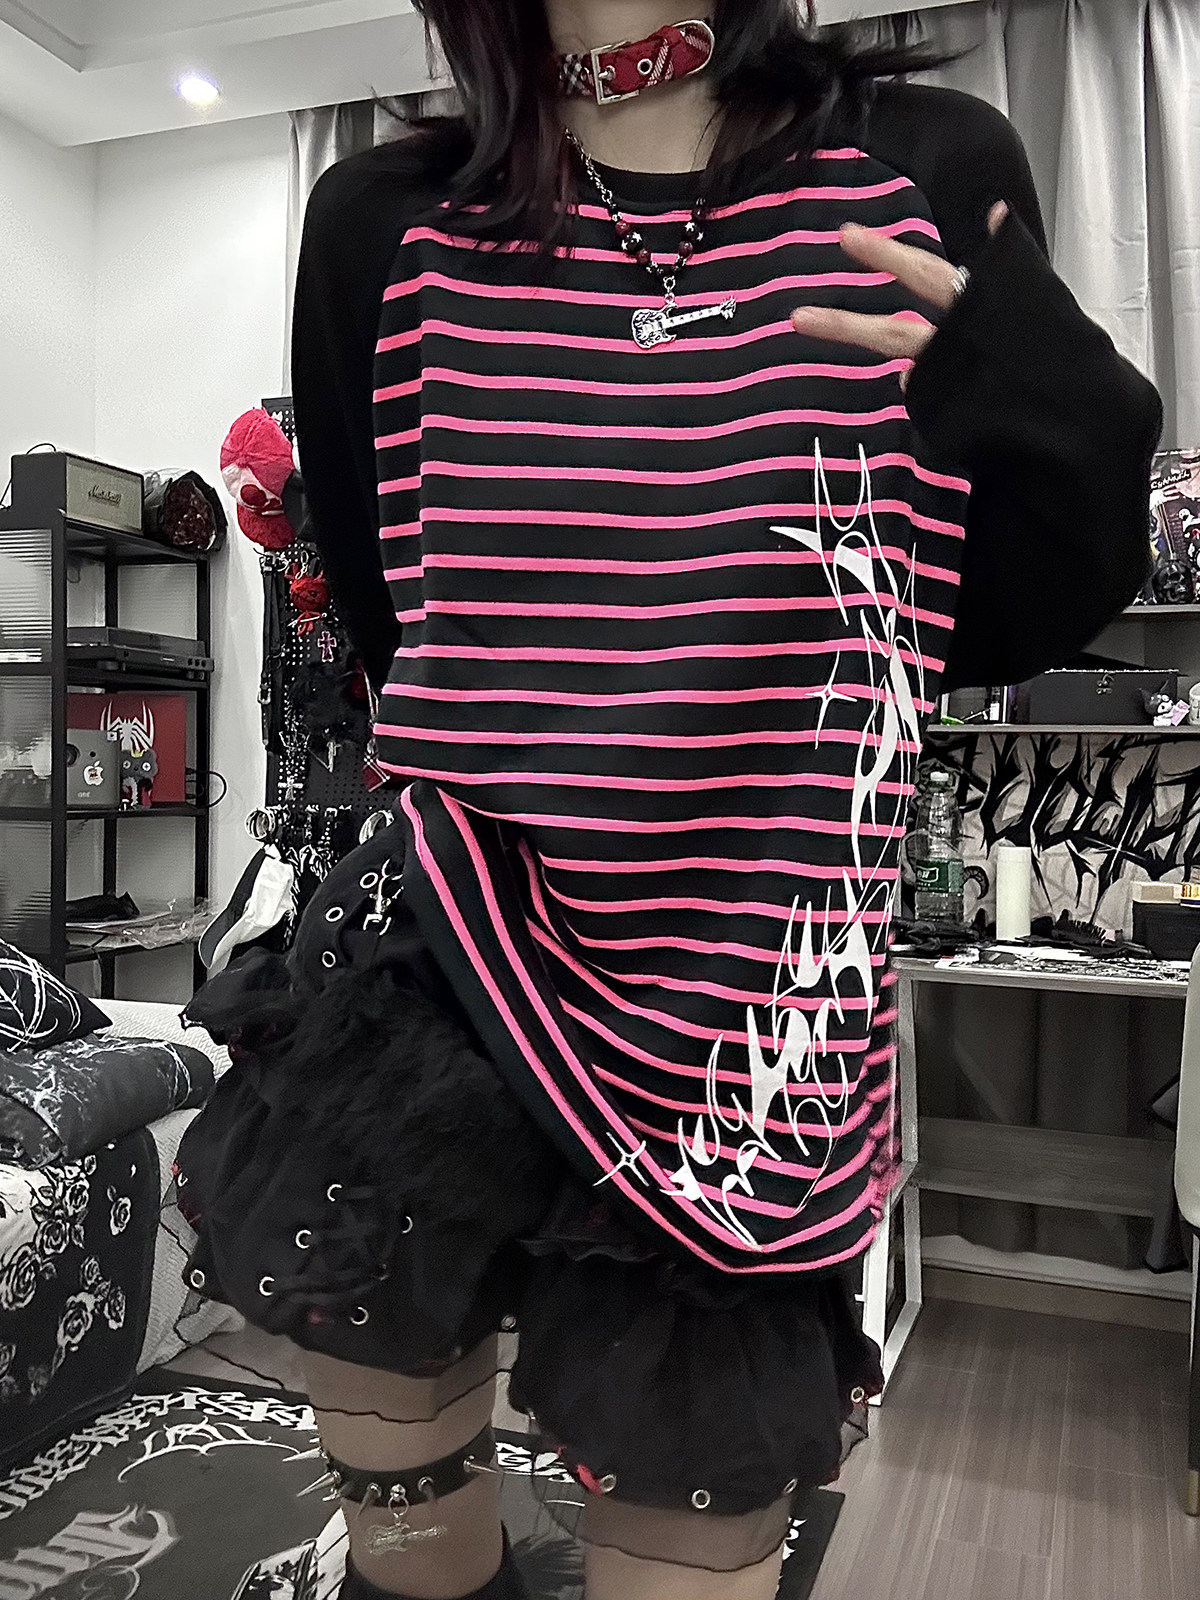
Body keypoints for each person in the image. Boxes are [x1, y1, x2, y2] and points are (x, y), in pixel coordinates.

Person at [177, 4, 1162, 1599]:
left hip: (751, 987)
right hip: (447, 943)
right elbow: (389, 613)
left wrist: (1070, 418)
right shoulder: (383, 221)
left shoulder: (918, 167)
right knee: (408, 1532)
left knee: (689, 1503)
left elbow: (987, 618)